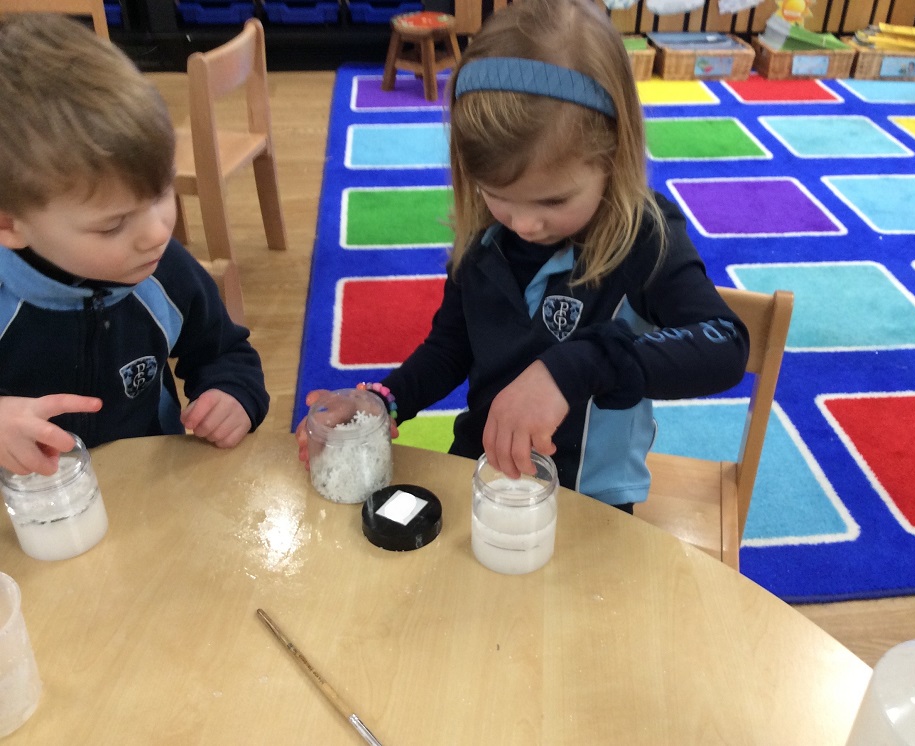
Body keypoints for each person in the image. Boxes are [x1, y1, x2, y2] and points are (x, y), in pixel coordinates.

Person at [298, 0, 749, 512]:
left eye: (554, 200)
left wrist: (578, 365)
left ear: (613, 158)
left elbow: (726, 344)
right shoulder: (484, 233)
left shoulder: (644, 235)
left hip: (590, 496)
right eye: (497, 193)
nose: (524, 224)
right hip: (483, 464)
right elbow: (451, 348)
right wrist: (385, 400)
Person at [0, 14, 269, 476]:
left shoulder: (163, 270)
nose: (158, 232)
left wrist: (233, 395)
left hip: (150, 489)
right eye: (113, 225)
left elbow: (225, 351)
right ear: (10, 225)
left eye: (162, 191)